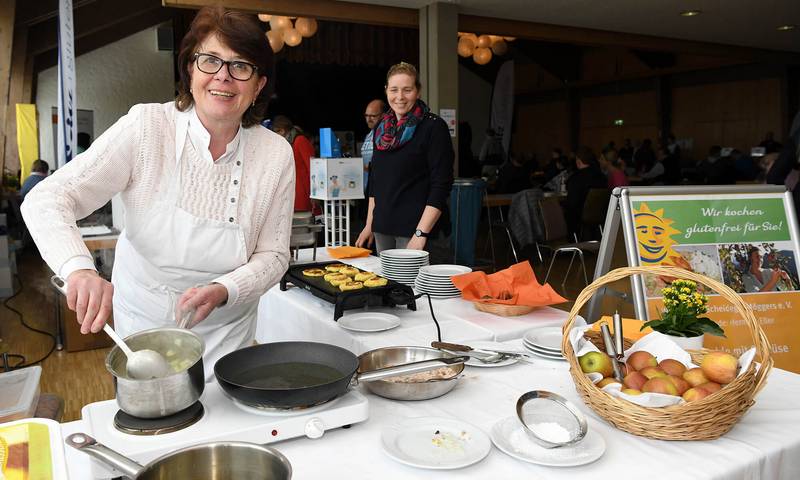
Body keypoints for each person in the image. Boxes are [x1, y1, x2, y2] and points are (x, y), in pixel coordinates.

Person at [21, 7, 294, 380]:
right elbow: (47, 198)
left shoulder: (276, 153)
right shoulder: (147, 127)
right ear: (190, 69)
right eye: (210, 60)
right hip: (144, 333)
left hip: (229, 335)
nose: (223, 78)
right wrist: (80, 270)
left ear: (259, 84)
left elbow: (275, 256)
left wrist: (224, 289)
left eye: (241, 66)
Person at [355, 62, 454, 252]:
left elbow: (441, 185)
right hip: (382, 228)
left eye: (407, 90)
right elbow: (376, 182)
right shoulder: (380, 129)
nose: (399, 97)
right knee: (388, 282)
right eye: (394, 90)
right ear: (386, 91)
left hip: (416, 231)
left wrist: (420, 234)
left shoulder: (433, 127)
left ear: (418, 91)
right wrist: (370, 225)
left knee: (413, 282)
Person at [272, 115, 314, 212]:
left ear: (282, 131)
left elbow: (312, 167)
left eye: (276, 132)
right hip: (294, 190)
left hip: (304, 190)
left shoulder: (299, 141)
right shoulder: (288, 143)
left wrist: (314, 192)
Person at [564, 146, 606, 237]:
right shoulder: (602, 177)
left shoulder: (575, 178)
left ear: (578, 161)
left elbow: (572, 203)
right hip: (600, 218)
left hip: (579, 220)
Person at [361, 99, 385, 191]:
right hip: (366, 188)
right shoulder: (369, 135)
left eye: (372, 116)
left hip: (379, 189)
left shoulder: (386, 135)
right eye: (366, 115)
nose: (368, 119)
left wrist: (368, 167)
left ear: (383, 116)